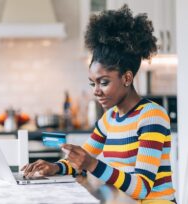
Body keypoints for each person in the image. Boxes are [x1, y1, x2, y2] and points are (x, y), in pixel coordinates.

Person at [22, 5, 176, 203]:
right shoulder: (109, 119)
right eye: (93, 83)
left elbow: (141, 188)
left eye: (104, 82)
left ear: (127, 78)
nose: (96, 91)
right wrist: (54, 167)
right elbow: (83, 157)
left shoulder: (152, 116)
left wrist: (92, 165)